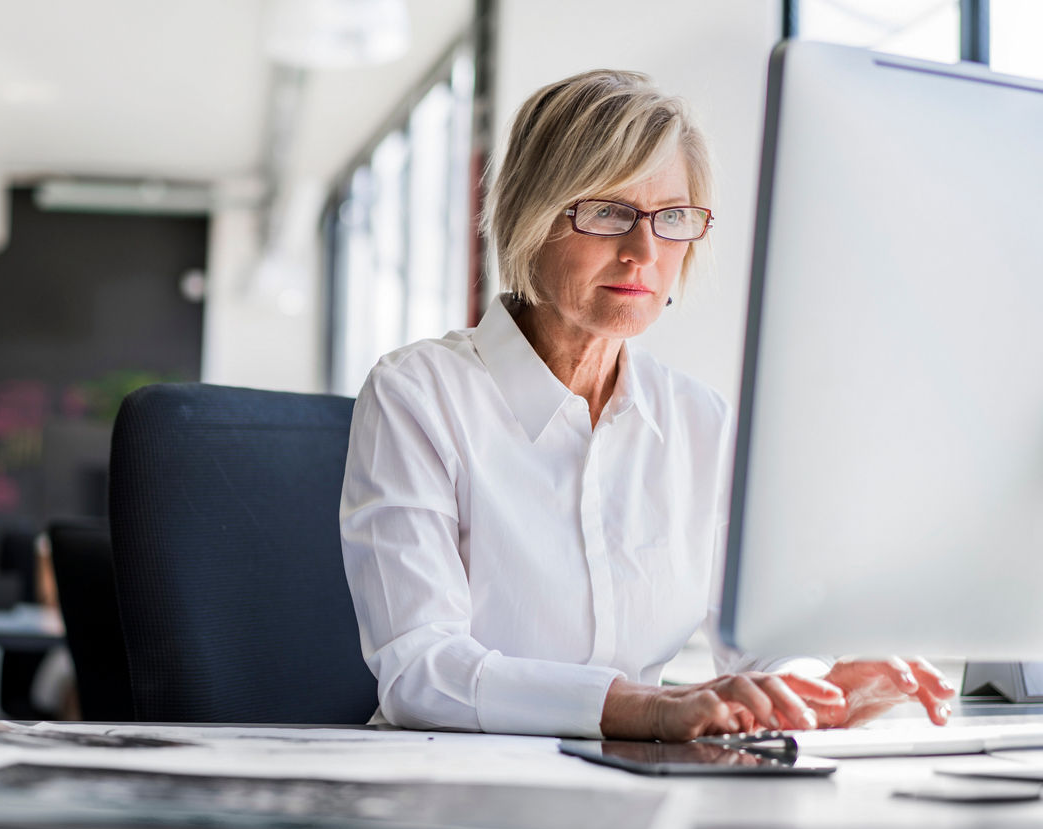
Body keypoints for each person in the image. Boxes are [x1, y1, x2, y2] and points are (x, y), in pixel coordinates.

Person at [339, 69, 956, 741]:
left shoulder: (698, 420)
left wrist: (813, 685)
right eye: (607, 213)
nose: (643, 252)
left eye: (672, 218)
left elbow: (759, 642)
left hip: (638, 783)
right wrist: (645, 707)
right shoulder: (418, 396)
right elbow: (420, 672)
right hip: (454, 787)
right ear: (530, 216)